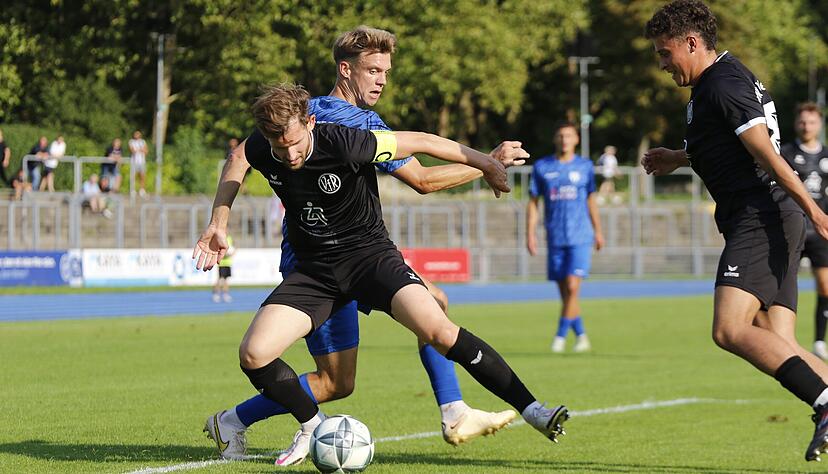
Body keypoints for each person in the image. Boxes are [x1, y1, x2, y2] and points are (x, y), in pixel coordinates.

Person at [202, 26, 530, 465]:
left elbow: (241, 153)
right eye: (373, 70)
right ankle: (238, 422)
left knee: (431, 304)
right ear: (346, 69)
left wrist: (218, 220)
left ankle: (453, 410)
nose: (381, 80)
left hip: (354, 255)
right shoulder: (355, 125)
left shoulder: (309, 108)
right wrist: (488, 162)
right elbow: (426, 181)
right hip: (318, 265)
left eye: (386, 72)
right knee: (334, 381)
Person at [643, 0, 828, 461]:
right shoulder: (717, 83)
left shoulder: (722, 84)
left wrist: (817, 213)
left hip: (760, 215)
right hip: (771, 216)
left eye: (665, 54)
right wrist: (679, 157)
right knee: (780, 342)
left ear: (691, 42)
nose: (662, 64)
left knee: (728, 329)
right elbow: (731, 144)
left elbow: (766, 153)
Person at [527, 121, 604, 353]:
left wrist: (598, 230)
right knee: (565, 293)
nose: (564, 140)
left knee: (572, 287)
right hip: (555, 237)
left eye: (569, 136)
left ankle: (559, 337)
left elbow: (591, 200)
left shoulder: (585, 166)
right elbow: (533, 203)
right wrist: (530, 234)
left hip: (580, 236)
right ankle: (581, 336)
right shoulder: (541, 167)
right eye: (560, 136)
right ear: (555, 139)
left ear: (576, 139)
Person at [780, 103, 828, 359]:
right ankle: (784, 338)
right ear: (796, 123)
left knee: (825, 286)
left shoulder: (827, 156)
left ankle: (819, 341)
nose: (806, 126)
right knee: (786, 283)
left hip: (821, 231)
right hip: (793, 227)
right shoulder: (785, 153)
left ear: (819, 125)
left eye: (811, 122)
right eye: (802, 121)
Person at [212, 234, 235, 303]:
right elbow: (217, 250)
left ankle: (225, 295)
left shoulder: (230, 238)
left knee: (226, 280)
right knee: (220, 279)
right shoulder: (220, 239)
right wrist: (225, 254)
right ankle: (216, 294)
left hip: (228, 263)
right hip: (221, 263)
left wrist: (232, 253)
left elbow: (233, 248)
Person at [129, 130, 149, 197]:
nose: (137, 135)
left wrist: (141, 150)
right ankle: (133, 190)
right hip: (134, 162)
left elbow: (146, 151)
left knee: (142, 176)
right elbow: (132, 151)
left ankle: (142, 190)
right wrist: (140, 150)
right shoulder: (131, 141)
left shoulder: (143, 142)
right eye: (135, 134)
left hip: (142, 161)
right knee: (133, 176)